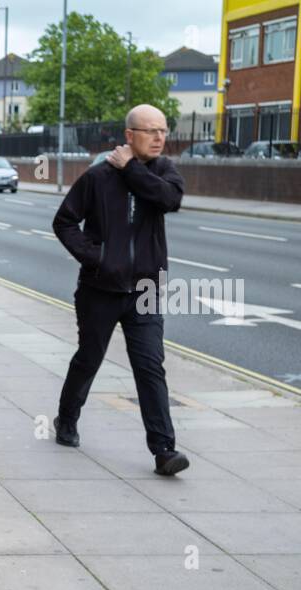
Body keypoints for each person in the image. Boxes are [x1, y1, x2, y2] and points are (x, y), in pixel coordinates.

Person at [51, 104, 189, 476]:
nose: (160, 138)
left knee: (149, 367)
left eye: (163, 131)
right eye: (150, 131)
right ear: (129, 136)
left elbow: (168, 200)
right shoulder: (97, 178)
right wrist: (94, 258)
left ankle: (164, 450)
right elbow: (64, 221)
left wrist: (130, 168)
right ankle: (66, 419)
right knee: (89, 358)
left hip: (145, 288)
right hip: (100, 288)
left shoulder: (164, 172)